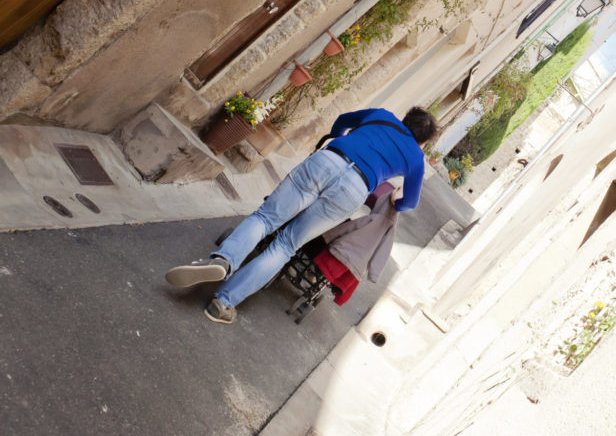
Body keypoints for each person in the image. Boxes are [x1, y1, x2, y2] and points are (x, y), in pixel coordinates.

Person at [165, 106, 437, 324]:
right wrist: (397, 201)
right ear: (422, 141)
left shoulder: (382, 115)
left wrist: (340, 140)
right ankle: (222, 304)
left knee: (265, 219)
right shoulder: (415, 157)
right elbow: (410, 202)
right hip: (354, 188)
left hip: (328, 160)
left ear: (405, 119)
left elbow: (342, 121)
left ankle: (223, 260)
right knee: (286, 245)